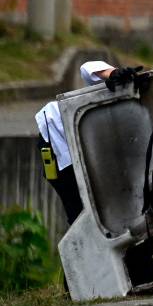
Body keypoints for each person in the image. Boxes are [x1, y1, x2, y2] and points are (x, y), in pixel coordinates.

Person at [36, 60, 118, 224]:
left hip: (84, 148)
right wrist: (113, 73)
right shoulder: (131, 85)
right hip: (55, 135)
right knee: (79, 212)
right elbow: (87, 68)